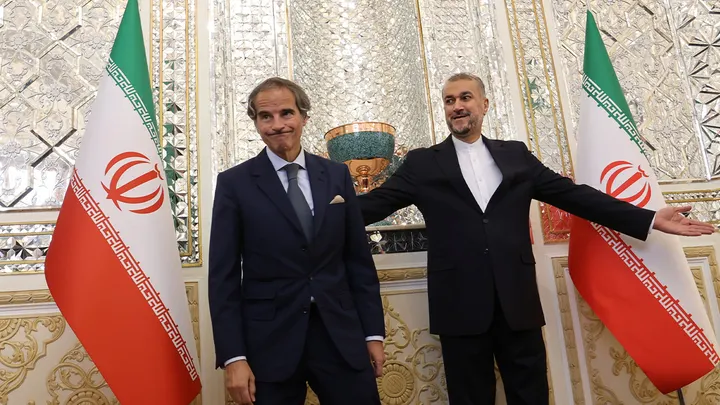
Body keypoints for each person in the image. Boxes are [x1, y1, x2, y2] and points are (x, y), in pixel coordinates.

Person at [357, 72, 715, 405]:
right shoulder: (423, 163)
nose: (457, 106)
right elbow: (372, 206)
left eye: (465, 97)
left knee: (530, 396)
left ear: (484, 104)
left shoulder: (515, 155)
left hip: (518, 303)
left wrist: (649, 218)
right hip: (459, 306)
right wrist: (313, 208)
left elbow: (575, 196)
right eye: (449, 101)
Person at [208, 77, 385, 405]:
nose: (277, 125)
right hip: (269, 343)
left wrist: (373, 334)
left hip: (340, 337)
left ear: (304, 117)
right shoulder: (234, 184)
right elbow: (224, 278)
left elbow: (358, 260)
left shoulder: (336, 175)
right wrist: (234, 357)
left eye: (286, 113)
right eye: (266, 117)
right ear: (256, 122)